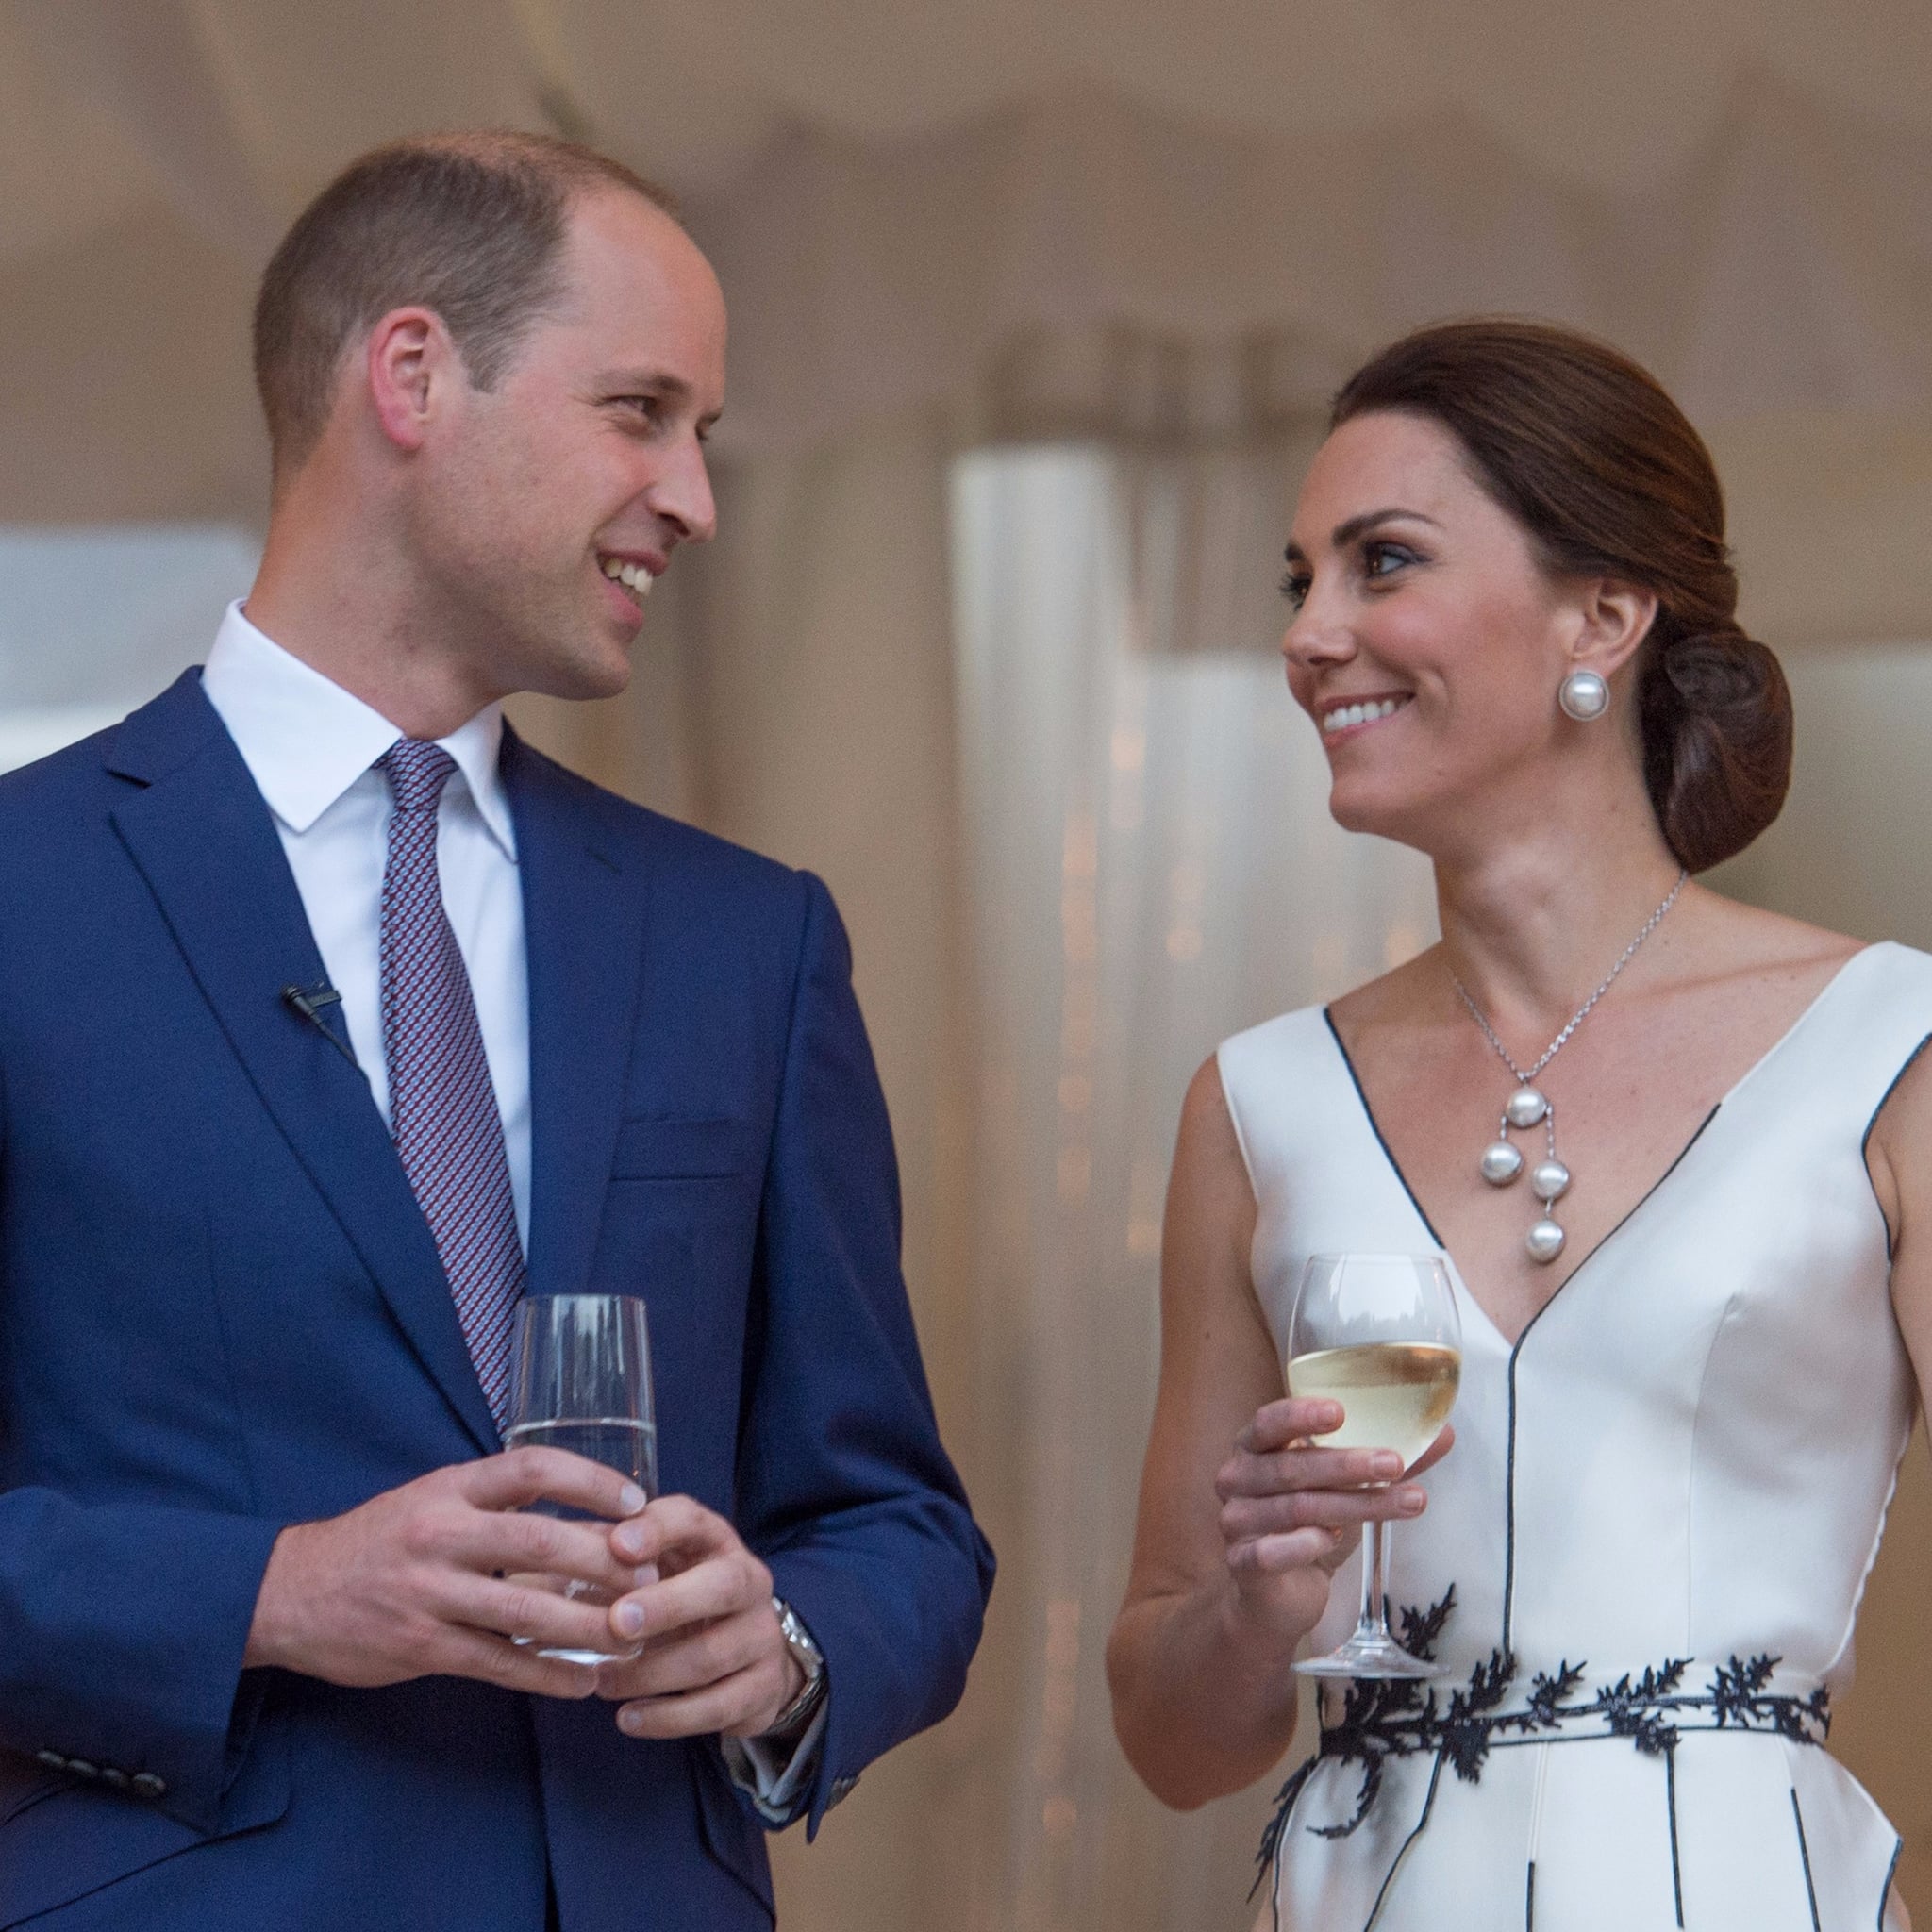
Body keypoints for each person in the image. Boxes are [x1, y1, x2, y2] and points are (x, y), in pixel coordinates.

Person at [0, 131, 992, 1931]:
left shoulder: (748, 939)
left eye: (702, 434)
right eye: (642, 412)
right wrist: (275, 1593)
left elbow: (897, 1525)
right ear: (412, 375)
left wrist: (781, 1646)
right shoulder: (23, 895)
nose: (694, 499)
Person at [1108, 317, 1931, 1930]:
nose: (1311, 637)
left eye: (1383, 562)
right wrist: (1259, 1605)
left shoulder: (1888, 1049)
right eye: (1300, 583)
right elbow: (1172, 1741)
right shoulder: (1260, 1103)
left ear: (1603, 615)